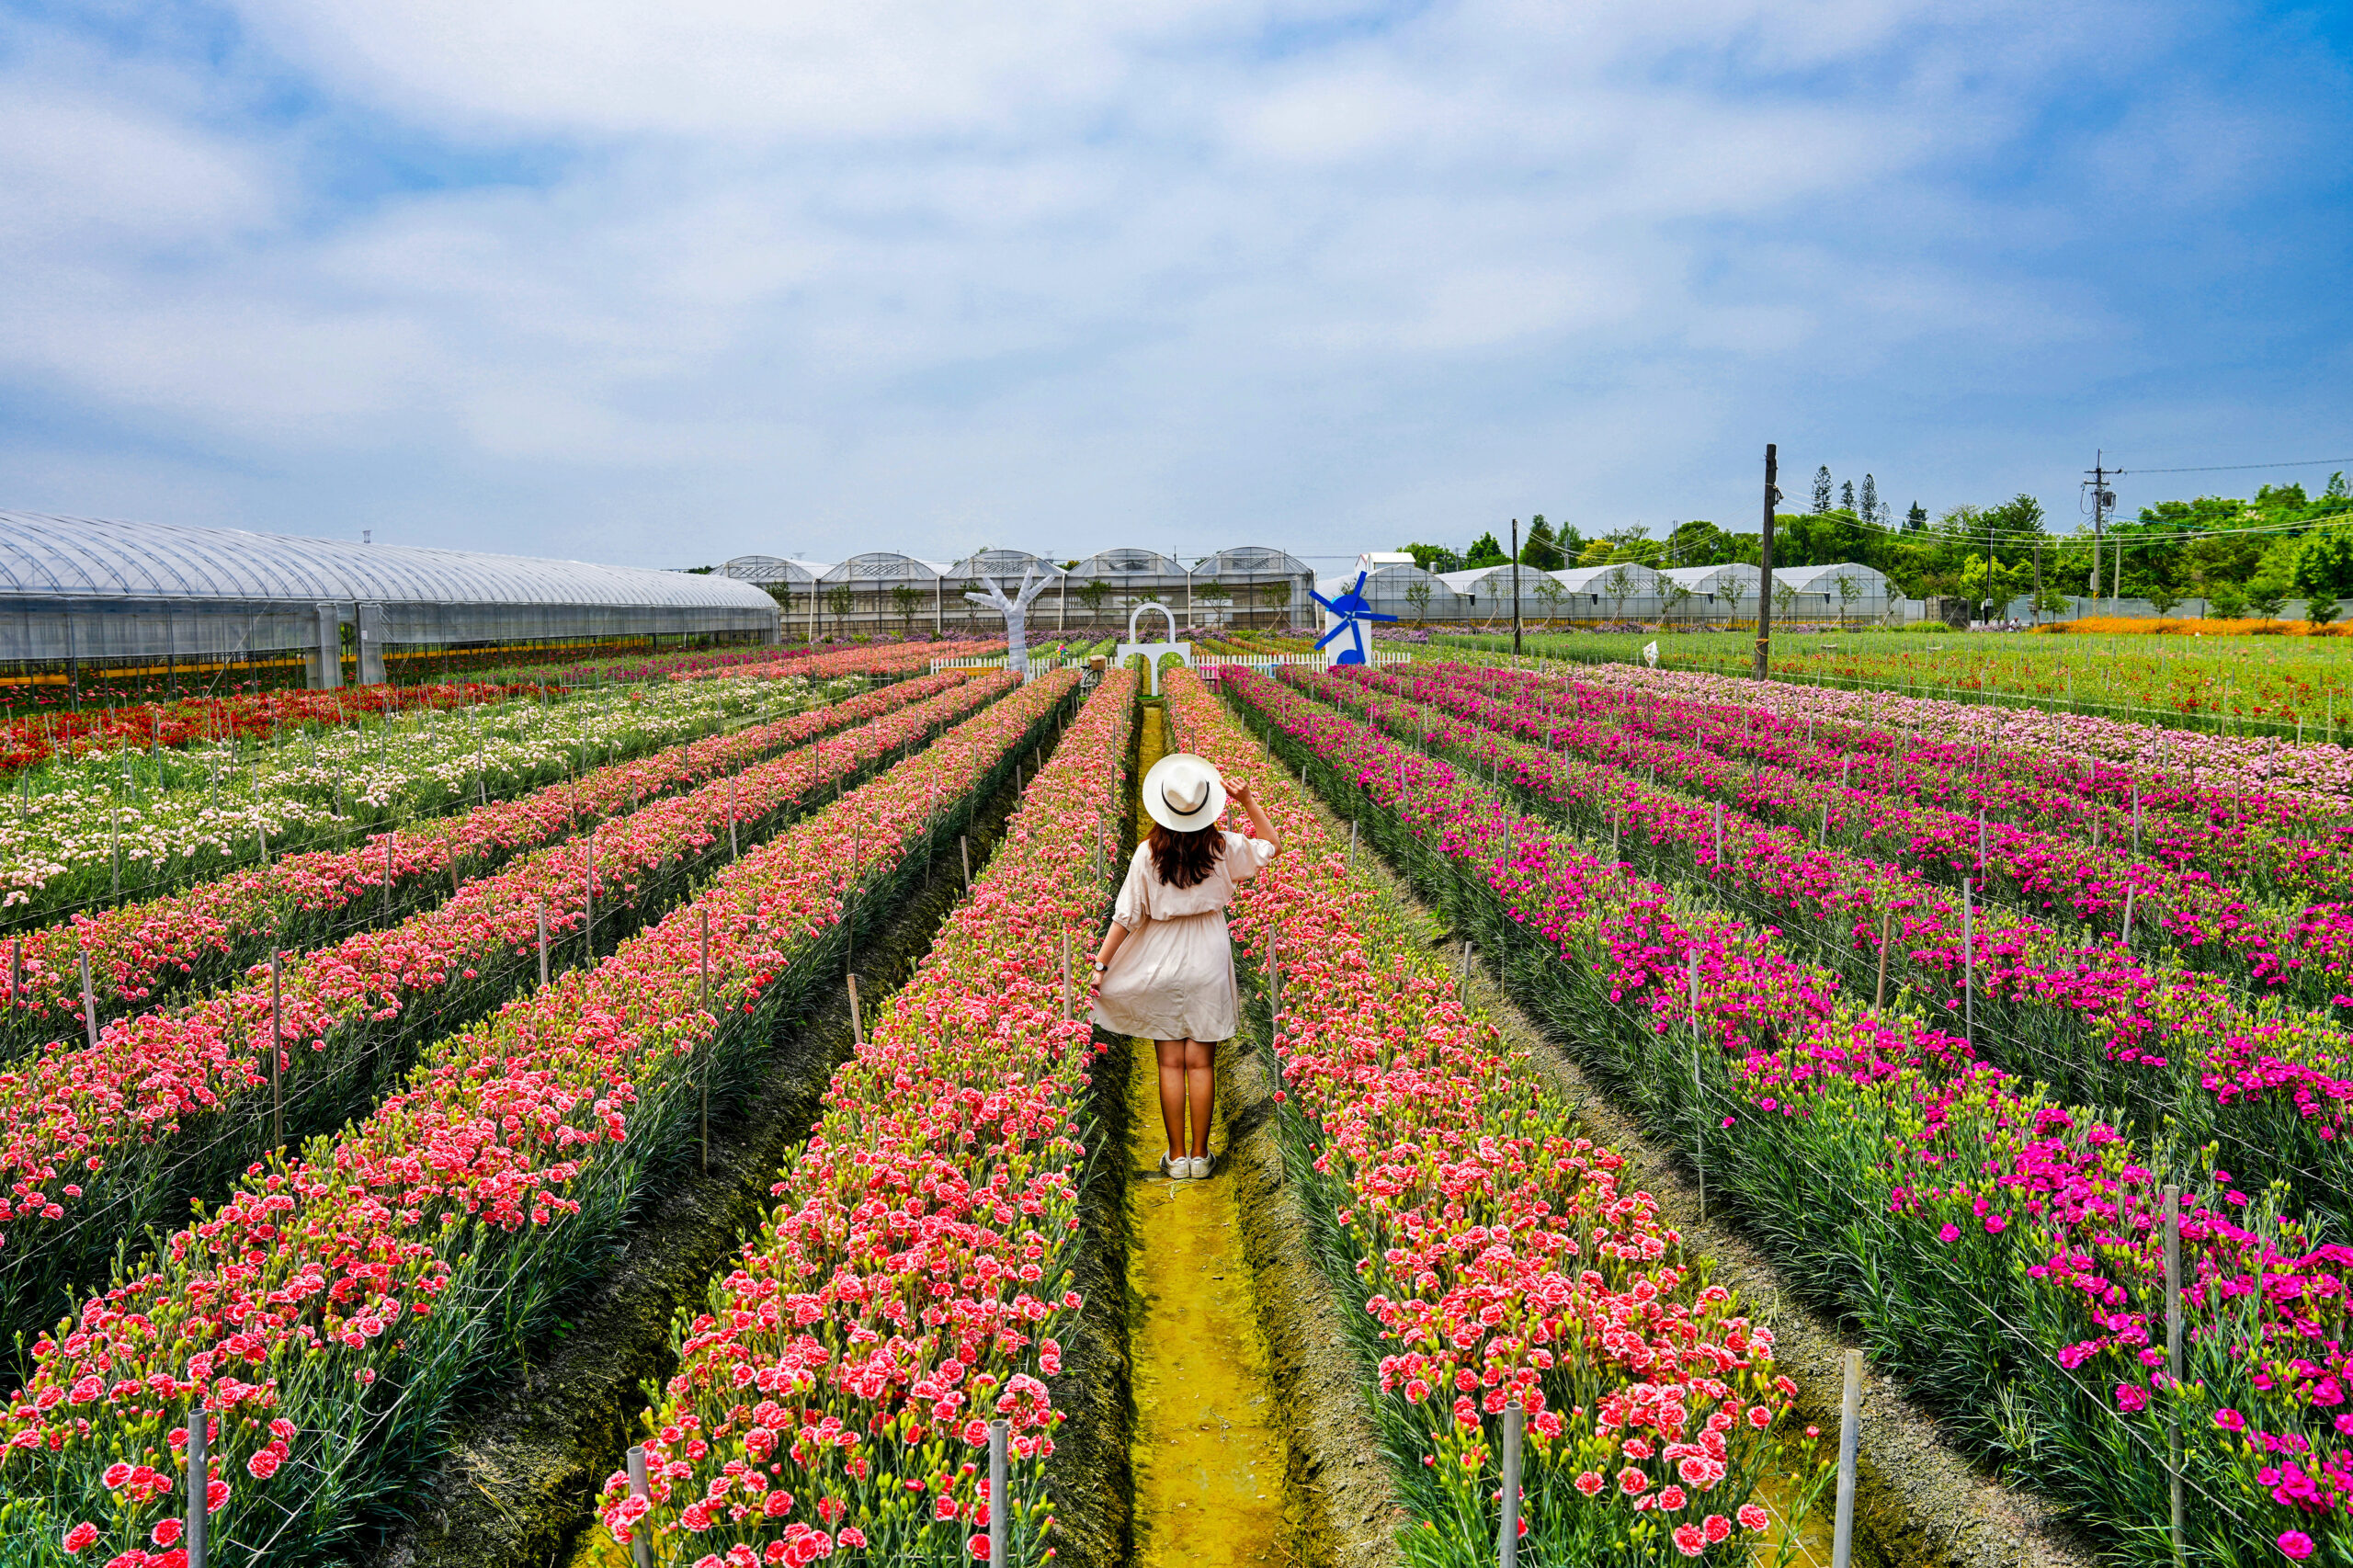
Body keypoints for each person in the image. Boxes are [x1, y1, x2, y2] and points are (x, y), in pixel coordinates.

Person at [1086, 752, 1280, 1179]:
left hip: (1160, 957)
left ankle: (1175, 1159)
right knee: (1201, 1063)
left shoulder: (1147, 854)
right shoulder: (1223, 847)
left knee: (1170, 1063)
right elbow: (1271, 847)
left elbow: (1126, 916)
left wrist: (1101, 966)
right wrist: (1248, 801)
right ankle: (1200, 1156)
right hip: (1208, 955)